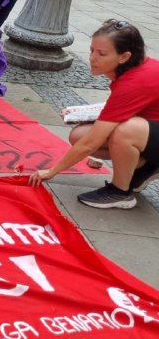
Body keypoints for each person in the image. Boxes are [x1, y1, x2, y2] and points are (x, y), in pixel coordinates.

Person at [29, 20, 159, 209]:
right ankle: (148, 166)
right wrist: (83, 114)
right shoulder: (135, 68)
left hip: (149, 131)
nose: (92, 58)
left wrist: (52, 171)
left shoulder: (134, 82)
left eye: (101, 54)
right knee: (78, 134)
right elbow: (119, 108)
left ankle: (120, 192)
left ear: (124, 57)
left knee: (125, 131)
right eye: (91, 50)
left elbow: (91, 143)